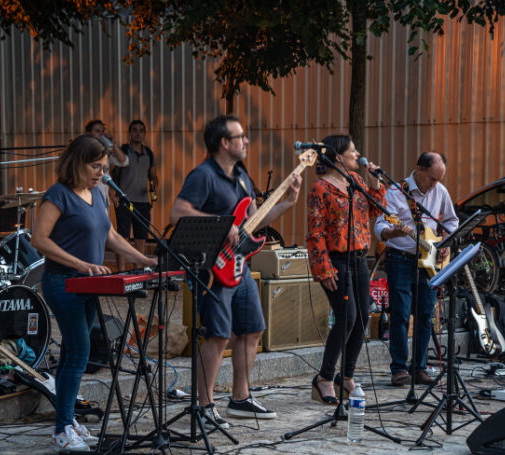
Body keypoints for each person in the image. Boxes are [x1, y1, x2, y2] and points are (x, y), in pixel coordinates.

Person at [169, 115, 302, 428]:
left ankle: (240, 399)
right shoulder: (203, 175)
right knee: (218, 335)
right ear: (223, 143)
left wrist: (287, 203)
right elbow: (178, 213)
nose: (246, 141)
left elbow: (254, 221)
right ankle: (204, 406)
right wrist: (223, 223)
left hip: (239, 266)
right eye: (240, 136)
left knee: (253, 329)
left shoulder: (241, 174)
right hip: (211, 267)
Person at [32, 134, 157, 451]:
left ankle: (68, 419)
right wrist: (82, 263)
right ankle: (61, 431)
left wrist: (144, 260)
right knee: (79, 353)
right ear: (77, 163)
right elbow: (40, 240)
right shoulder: (57, 195)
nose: (102, 173)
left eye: (104, 168)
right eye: (96, 167)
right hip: (63, 282)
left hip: (88, 283)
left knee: (73, 353)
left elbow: (110, 235)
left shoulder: (97, 195)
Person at [306, 135, 386, 403]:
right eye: (352, 150)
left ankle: (347, 377)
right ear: (338, 157)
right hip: (336, 261)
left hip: (360, 259)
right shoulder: (320, 188)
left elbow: (376, 211)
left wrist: (374, 182)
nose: (358, 153)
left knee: (363, 317)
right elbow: (315, 232)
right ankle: (324, 378)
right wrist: (323, 268)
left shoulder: (357, 181)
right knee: (346, 318)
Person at [374, 151, 459, 386]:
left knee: (425, 315)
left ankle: (419, 366)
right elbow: (380, 225)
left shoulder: (440, 191)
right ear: (418, 170)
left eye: (439, 179)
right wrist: (393, 232)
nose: (435, 184)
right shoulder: (395, 192)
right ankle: (399, 368)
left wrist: (445, 242)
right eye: (432, 178)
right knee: (400, 314)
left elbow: (452, 221)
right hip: (400, 259)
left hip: (430, 261)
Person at [111, 120, 158, 269]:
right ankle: (122, 272)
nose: (138, 133)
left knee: (141, 239)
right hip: (125, 201)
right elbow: (108, 174)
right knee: (123, 238)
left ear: (144, 134)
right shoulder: (123, 151)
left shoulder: (149, 153)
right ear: (129, 133)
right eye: (135, 130)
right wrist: (114, 196)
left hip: (143, 202)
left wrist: (153, 189)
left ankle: (138, 273)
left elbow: (153, 177)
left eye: (141, 130)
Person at [83, 119, 128, 208]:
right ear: (89, 133)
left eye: (103, 131)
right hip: (88, 199)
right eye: (97, 131)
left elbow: (124, 162)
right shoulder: (83, 151)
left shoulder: (106, 152)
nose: (101, 134)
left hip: (103, 199)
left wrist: (113, 144)